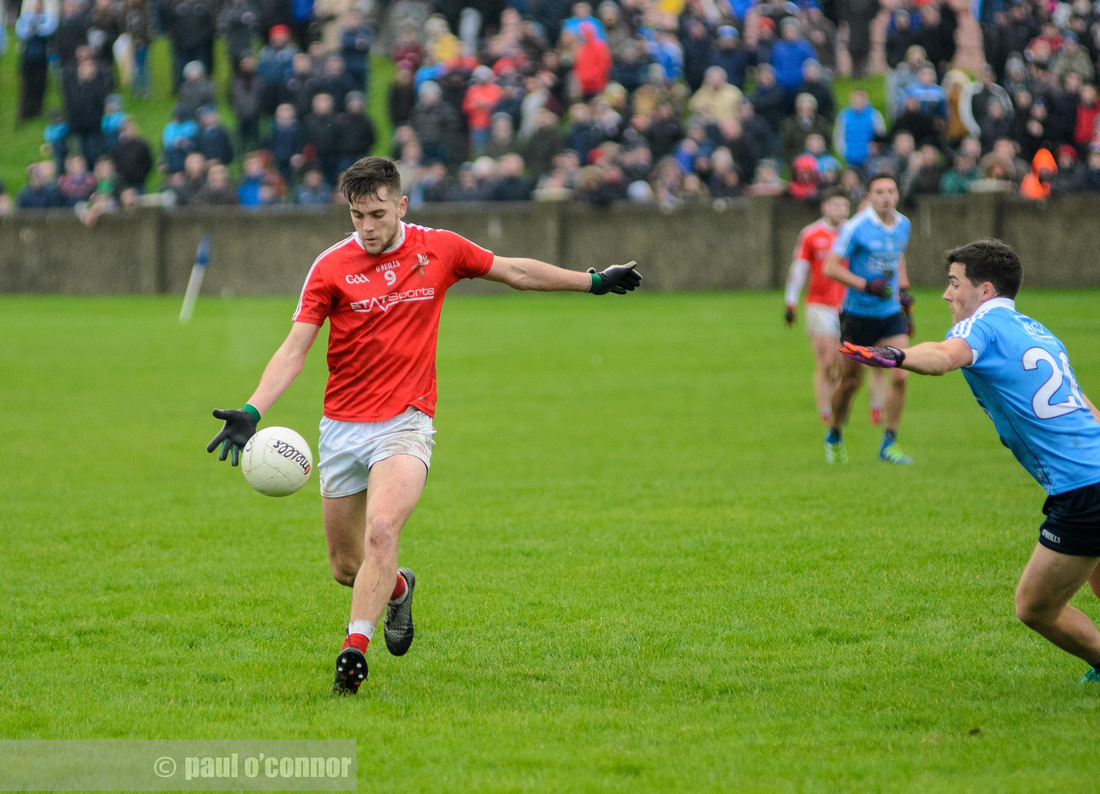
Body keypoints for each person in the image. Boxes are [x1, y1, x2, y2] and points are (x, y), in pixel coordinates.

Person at [206, 156, 641, 696]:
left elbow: (515, 271)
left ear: (402, 206)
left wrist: (594, 281)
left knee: (383, 528)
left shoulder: (439, 248)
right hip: (342, 427)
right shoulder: (329, 267)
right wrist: (252, 411)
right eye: (357, 216)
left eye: (378, 214)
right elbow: (296, 347)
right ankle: (397, 588)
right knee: (346, 566)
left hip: (406, 422)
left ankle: (353, 654)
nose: (367, 227)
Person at [839, 239, 1100, 681]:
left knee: (1034, 607)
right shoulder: (1038, 330)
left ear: (985, 290)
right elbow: (1085, 407)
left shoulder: (980, 326)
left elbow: (943, 357)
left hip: (1081, 487)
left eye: (953, 283)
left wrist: (897, 355)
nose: (945, 294)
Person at [822, 173, 914, 465]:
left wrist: (905, 295)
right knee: (850, 382)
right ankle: (835, 433)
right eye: (880, 191)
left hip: (889, 314)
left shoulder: (903, 225)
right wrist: (865, 285)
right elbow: (830, 267)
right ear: (869, 197)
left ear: (897, 195)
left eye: (891, 190)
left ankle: (889, 442)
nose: (886, 196)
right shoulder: (856, 228)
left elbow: (898, 257)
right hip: (857, 315)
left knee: (900, 374)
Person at [785, 189, 888, 426]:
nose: (840, 210)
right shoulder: (811, 234)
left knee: (853, 365)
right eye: (834, 205)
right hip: (820, 305)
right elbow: (799, 269)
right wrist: (790, 302)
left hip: (851, 306)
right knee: (827, 362)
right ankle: (826, 413)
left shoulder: (854, 232)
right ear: (824, 207)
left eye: (844, 205)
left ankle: (854, 410)